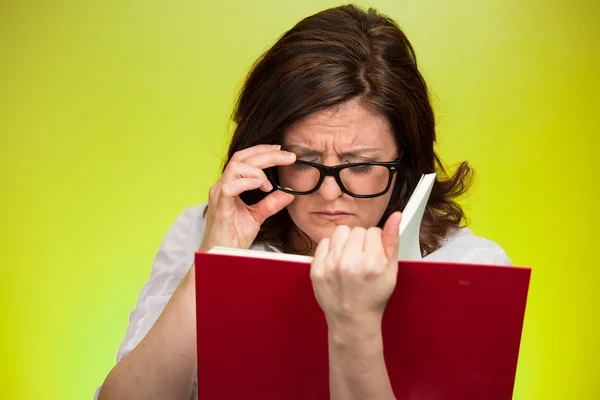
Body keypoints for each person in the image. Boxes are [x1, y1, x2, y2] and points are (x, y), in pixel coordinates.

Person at [95, 4, 510, 400]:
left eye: (361, 165)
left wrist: (355, 327)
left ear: (404, 163)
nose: (330, 193)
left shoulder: (472, 268)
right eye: (305, 161)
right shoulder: (199, 230)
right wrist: (212, 265)